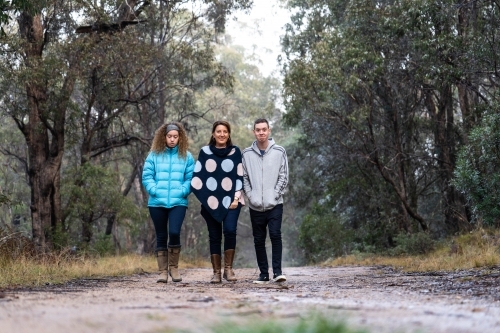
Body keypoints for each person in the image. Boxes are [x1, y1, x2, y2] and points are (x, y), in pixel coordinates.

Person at [191, 120, 245, 283]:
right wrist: (207, 200)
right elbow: (198, 178)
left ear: (229, 134)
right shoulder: (205, 152)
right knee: (214, 236)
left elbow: (239, 176)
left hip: (232, 201)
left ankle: (228, 269)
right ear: (213, 134)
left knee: (230, 230)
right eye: (219, 131)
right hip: (211, 202)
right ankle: (216, 272)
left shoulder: (235, 152)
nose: (222, 134)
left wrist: (235, 198)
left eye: (225, 132)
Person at [142, 122, 195, 283]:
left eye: (175, 137)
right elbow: (147, 176)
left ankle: (174, 268)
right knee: (161, 235)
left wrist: (183, 191)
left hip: (178, 201)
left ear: (180, 138)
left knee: (174, 232)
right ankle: (162, 272)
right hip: (157, 202)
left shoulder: (187, 156)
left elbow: (190, 179)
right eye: (169, 136)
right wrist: (155, 190)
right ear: (163, 137)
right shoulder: (154, 155)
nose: (172, 139)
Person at [242, 118, 289, 284]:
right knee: (258, 239)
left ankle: (277, 272)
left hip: (275, 204)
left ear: (269, 131)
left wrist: (275, 194)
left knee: (275, 235)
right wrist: (250, 195)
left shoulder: (279, 151)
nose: (261, 132)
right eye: (258, 130)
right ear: (254, 132)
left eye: (264, 129)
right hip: (255, 205)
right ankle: (263, 274)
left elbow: (284, 176)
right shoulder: (246, 154)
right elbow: (244, 177)